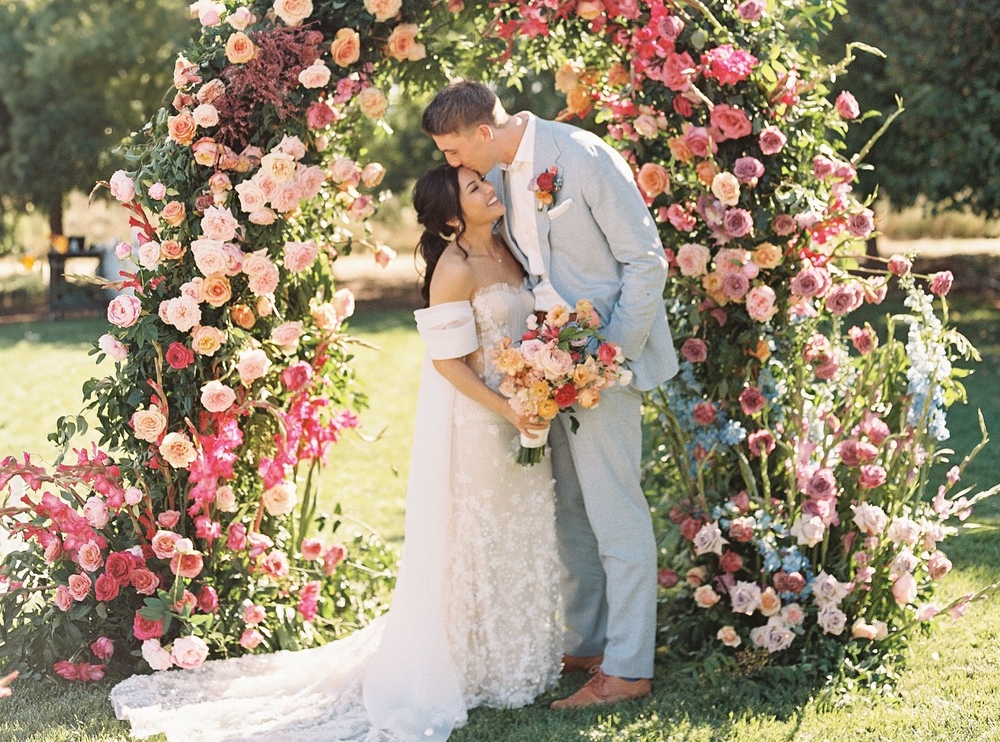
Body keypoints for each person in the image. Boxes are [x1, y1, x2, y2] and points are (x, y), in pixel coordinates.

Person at [110, 164, 563, 742]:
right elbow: (447, 363)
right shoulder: (454, 270)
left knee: (518, 529)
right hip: (480, 421)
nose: (489, 190)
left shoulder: (510, 246)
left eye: (482, 182)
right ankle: (472, 664)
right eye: (475, 188)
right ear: (452, 216)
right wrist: (507, 409)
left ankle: (515, 657)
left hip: (522, 410)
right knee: (478, 535)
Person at [422, 79, 678, 710]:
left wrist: (611, 355)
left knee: (616, 514)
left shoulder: (583, 158)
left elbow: (646, 261)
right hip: (544, 370)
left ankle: (628, 668)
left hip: (601, 366)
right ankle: (589, 645)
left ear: (483, 133)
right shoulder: (498, 177)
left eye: (454, 153)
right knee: (569, 514)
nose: (452, 167)